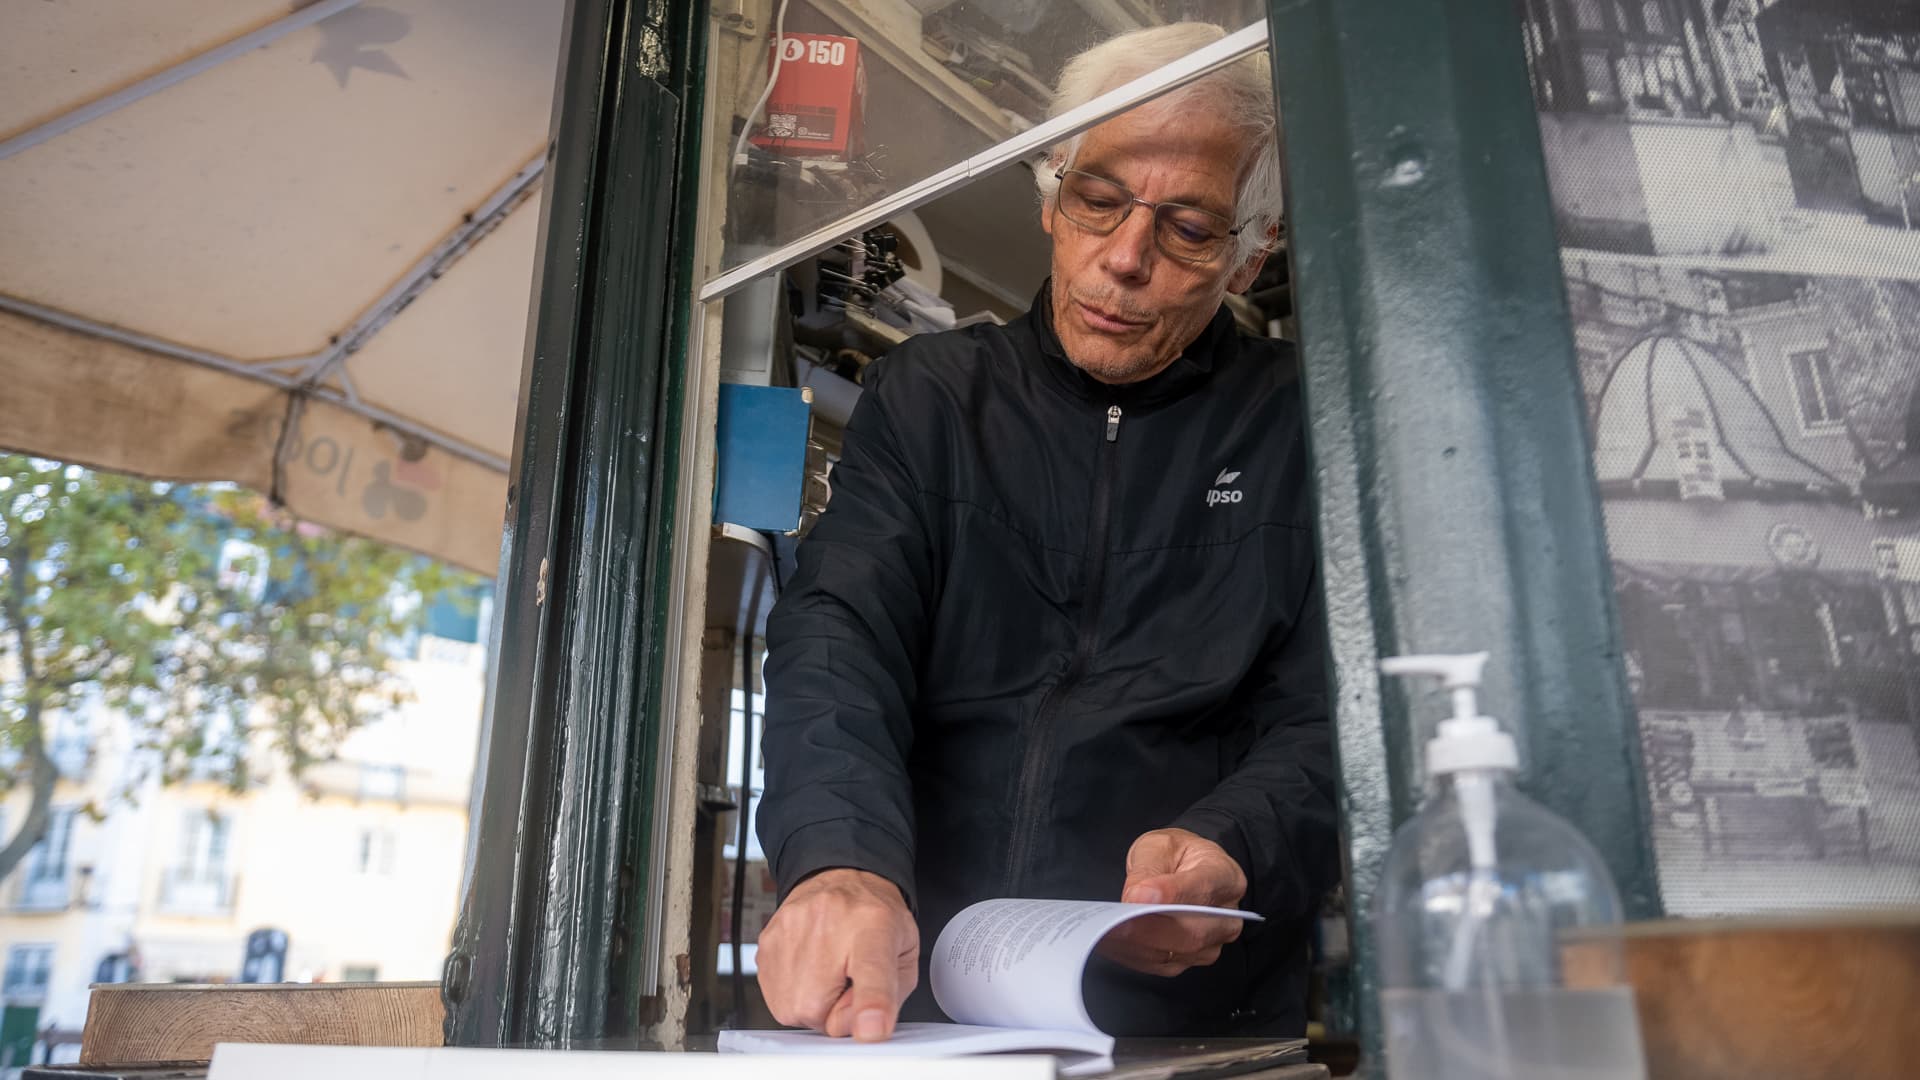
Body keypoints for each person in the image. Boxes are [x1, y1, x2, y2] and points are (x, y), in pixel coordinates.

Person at [753, 21, 1338, 1042]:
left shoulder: (1306, 426)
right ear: (1048, 192)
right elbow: (840, 632)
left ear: (1251, 257)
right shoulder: (933, 396)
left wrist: (1233, 841)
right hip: (916, 1000)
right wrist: (841, 858)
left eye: (1189, 229)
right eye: (1098, 200)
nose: (1125, 259)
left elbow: (1333, 710)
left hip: (1192, 1020)